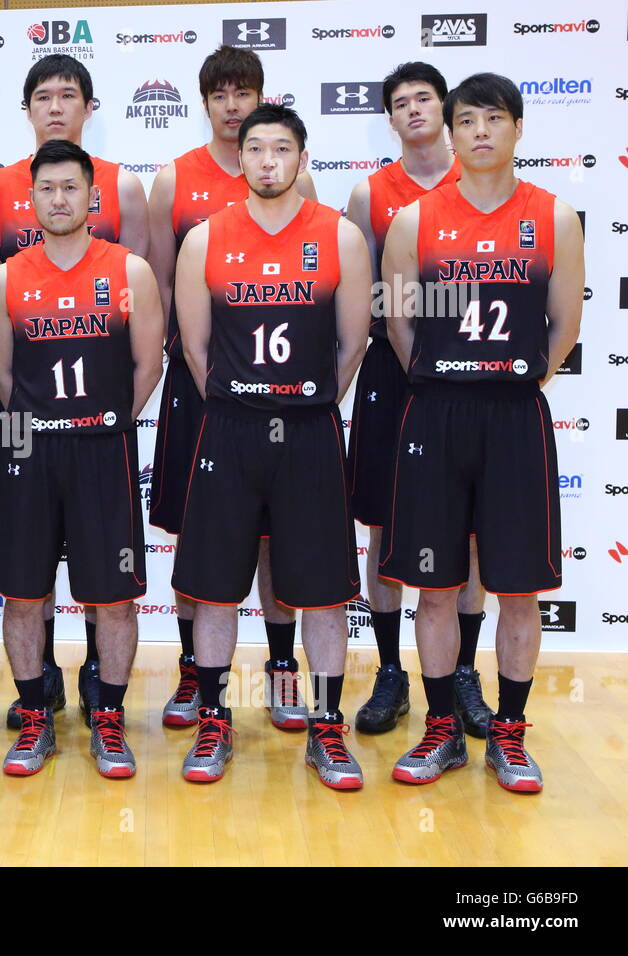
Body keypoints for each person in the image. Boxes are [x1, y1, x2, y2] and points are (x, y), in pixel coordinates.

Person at [381, 73, 583, 792]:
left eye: (494, 119)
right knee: (435, 590)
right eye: (466, 120)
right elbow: (401, 325)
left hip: (513, 416)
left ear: (518, 128)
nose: (480, 132)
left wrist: (505, 375)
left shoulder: (553, 218)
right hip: (436, 413)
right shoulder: (413, 222)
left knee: (519, 592)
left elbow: (564, 329)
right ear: (451, 131)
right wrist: (449, 377)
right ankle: (441, 730)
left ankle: (511, 733)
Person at [173, 105, 370, 790]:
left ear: (301, 157)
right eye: (254, 148)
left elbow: (352, 344)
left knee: (321, 594)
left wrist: (305, 401)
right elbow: (195, 350)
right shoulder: (205, 240)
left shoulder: (340, 237)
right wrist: (243, 402)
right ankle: (215, 720)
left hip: (311, 430)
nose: (265, 161)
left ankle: (325, 725)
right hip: (229, 430)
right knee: (216, 588)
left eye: (280, 148)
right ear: (241, 158)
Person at [147, 45, 319, 731]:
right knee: (198, 532)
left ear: (260, 95)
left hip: (276, 393)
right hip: (202, 387)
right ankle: (196, 673)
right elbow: (160, 286)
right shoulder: (174, 180)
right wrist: (193, 370)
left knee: (277, 534)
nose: (231, 103)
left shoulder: (291, 180)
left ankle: (282, 666)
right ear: (205, 101)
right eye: (218, 93)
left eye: (242, 90)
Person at [0, 53, 149, 727]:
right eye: (41, 96)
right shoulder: (3, 232)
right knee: (24, 583)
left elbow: (144, 358)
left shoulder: (124, 227)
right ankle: (35, 697)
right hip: (30, 438)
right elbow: (9, 363)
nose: (58, 200)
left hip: (101, 440)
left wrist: (106, 423)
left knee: (112, 592)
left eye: (67, 95)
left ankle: (106, 710)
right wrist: (43, 420)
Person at [343, 62, 490, 737]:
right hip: (398, 373)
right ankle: (391, 671)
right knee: (382, 523)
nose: (412, 111)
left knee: (467, 528)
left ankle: (461, 673)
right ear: (391, 118)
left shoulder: (484, 185)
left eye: (423, 99)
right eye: (398, 103)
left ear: (446, 108)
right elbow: (366, 292)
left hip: (477, 378)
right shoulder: (372, 194)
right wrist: (417, 360)